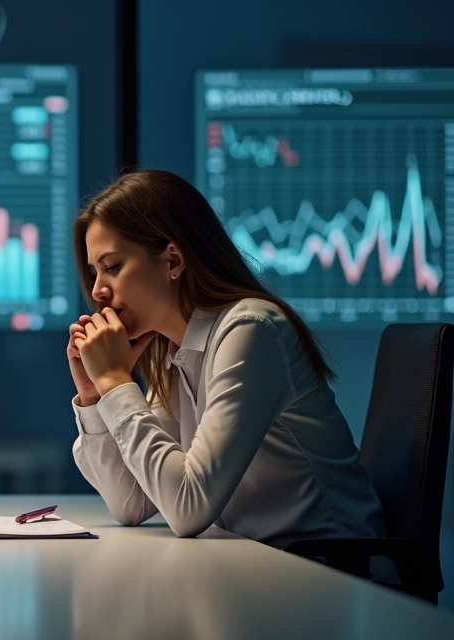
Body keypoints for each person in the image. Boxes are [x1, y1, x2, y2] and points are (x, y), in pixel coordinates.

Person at [67, 169, 385, 546]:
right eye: (93, 272)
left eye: (113, 267)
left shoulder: (252, 329)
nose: (98, 291)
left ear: (172, 261)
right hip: (267, 567)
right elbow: (131, 503)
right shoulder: (175, 350)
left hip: (336, 575)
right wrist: (93, 394)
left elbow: (188, 508)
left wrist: (116, 383)